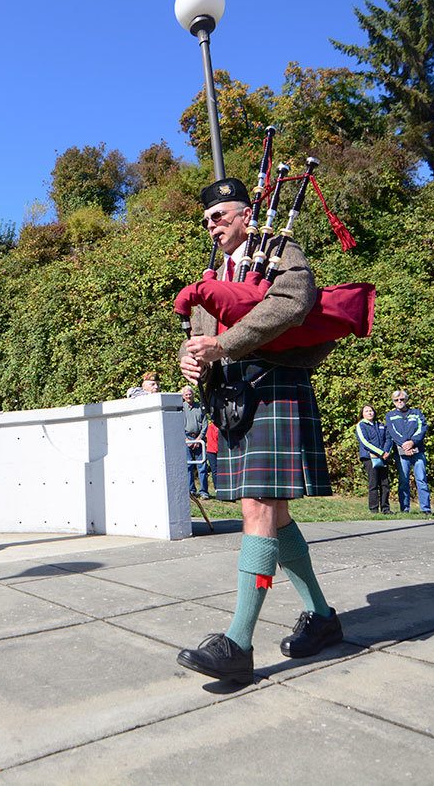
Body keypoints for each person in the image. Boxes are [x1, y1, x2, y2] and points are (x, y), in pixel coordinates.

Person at [175, 177, 343, 685]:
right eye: (207, 219)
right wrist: (191, 359)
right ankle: (323, 616)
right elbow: (200, 337)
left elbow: (293, 301)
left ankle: (238, 643)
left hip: (275, 384)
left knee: (258, 508)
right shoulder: (214, 274)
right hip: (234, 396)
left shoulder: (277, 248)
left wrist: (225, 345)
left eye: (221, 215)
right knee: (275, 514)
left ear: (247, 214)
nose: (212, 224)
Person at [386, 389, 431, 513]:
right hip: (401, 453)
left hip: (418, 451)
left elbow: (422, 428)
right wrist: (405, 445)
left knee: (421, 480)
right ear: (393, 402)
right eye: (396, 400)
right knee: (403, 481)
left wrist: (412, 442)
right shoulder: (390, 415)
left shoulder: (416, 413)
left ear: (406, 400)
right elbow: (392, 432)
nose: (399, 401)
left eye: (402, 399)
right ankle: (404, 509)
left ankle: (425, 509)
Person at [355, 405, 393, 514]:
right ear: (362, 414)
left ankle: (385, 509)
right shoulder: (361, 425)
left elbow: (388, 439)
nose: (369, 413)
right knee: (373, 484)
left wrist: (386, 452)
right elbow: (365, 442)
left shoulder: (380, 425)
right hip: (369, 458)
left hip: (384, 458)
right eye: (366, 411)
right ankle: (374, 509)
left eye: (371, 410)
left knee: (385, 484)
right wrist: (380, 453)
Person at [180, 385, 212, 498]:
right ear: (183, 396)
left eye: (190, 394)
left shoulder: (200, 407)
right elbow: (177, 424)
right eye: (186, 394)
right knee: (188, 466)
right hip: (186, 439)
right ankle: (191, 490)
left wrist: (199, 439)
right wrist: (186, 439)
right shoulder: (180, 408)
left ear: (193, 394)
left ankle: (204, 491)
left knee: (202, 466)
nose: (188, 396)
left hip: (199, 439)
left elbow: (205, 423)